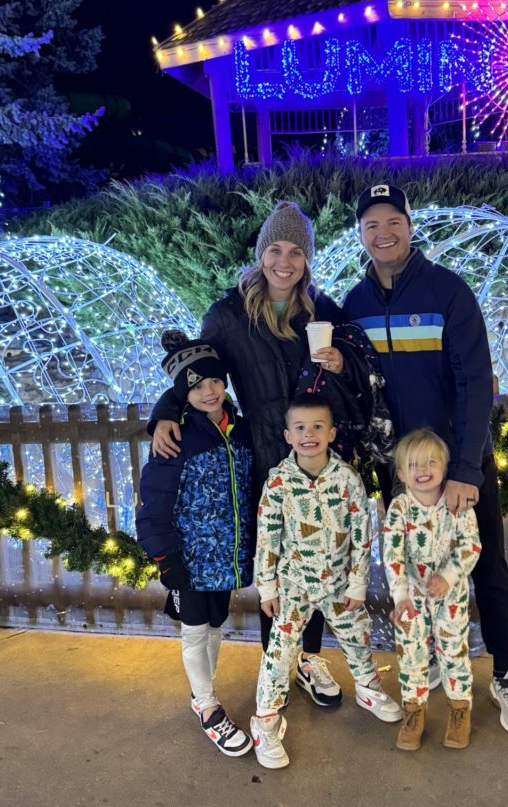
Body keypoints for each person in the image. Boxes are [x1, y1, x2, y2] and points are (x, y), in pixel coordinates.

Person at [343, 182, 508, 736]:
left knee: (486, 565)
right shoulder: (353, 305)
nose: (384, 233)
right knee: (409, 568)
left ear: (410, 225)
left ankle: (504, 670)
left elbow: (476, 381)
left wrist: (466, 471)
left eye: (393, 221)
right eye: (372, 225)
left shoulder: (448, 291)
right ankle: (426, 665)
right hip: (399, 472)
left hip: (457, 464)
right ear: (362, 234)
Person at [148, 202, 354, 707]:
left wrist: (343, 360)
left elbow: (359, 365)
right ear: (261, 254)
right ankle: (277, 666)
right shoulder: (229, 314)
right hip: (264, 457)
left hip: (313, 454)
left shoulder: (322, 309)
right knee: (279, 565)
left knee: (317, 556)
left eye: (296, 252)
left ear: (307, 260)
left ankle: (306, 658)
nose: (285, 262)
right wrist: (165, 412)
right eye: (275, 250)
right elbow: (196, 369)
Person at [249, 393, 402, 769]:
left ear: (331, 432)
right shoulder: (278, 483)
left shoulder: (348, 479)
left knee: (357, 636)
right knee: (279, 655)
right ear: (288, 435)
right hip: (293, 587)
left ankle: (368, 688)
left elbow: (362, 534)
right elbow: (267, 537)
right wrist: (266, 587)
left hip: (338, 585)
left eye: (318, 427)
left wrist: (357, 583)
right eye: (300, 428)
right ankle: (265, 722)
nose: (309, 434)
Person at [135, 330, 255, 757]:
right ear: (182, 393)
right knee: (194, 631)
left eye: (215, 382)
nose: (209, 391)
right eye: (197, 385)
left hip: (226, 559)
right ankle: (206, 705)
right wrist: (166, 557)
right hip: (188, 559)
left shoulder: (240, 431)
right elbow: (155, 503)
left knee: (216, 625)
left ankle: (206, 691)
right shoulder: (175, 439)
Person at [384, 428, 481, 751]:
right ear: (401, 473)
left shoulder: (456, 503)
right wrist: (400, 597)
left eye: (430, 463)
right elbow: (392, 555)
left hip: (449, 595)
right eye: (413, 465)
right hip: (410, 596)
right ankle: (414, 711)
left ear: (445, 466)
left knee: (454, 651)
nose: (423, 471)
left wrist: (450, 576)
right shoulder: (399, 508)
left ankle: (459, 709)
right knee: (411, 654)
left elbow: (471, 546)